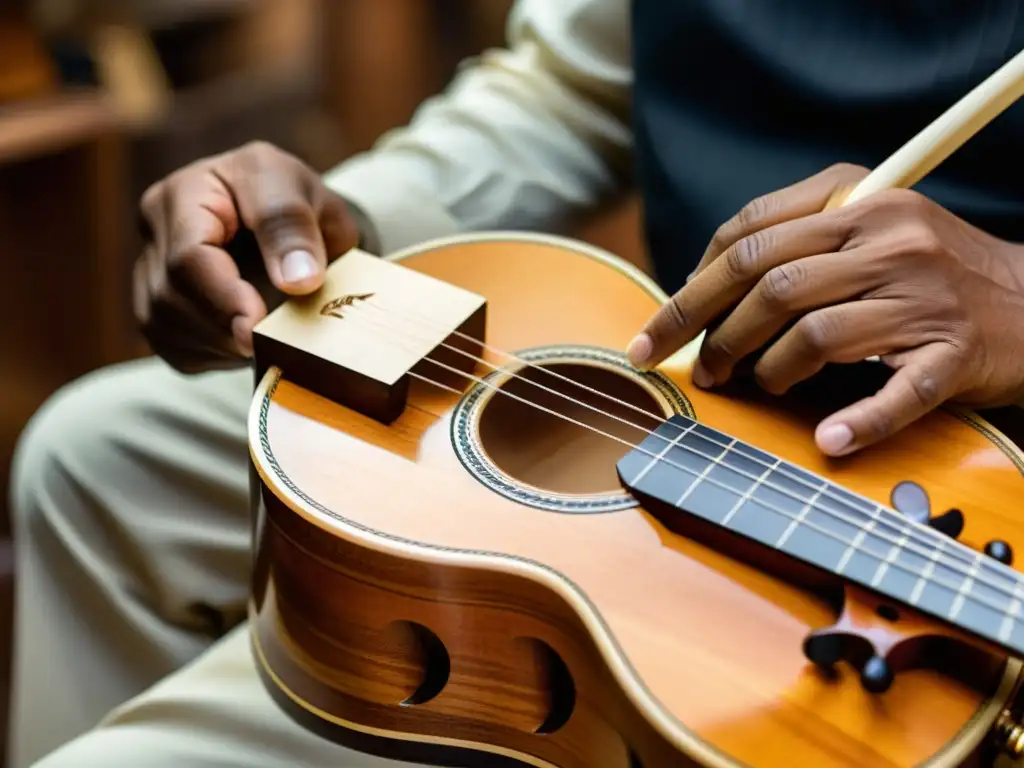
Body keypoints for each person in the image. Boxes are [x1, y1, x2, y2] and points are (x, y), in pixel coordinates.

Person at [8, 0, 1024, 765]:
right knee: (94, 449)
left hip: (957, 476)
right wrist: (327, 241)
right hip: (695, 383)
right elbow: (564, 88)